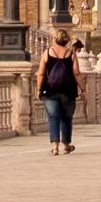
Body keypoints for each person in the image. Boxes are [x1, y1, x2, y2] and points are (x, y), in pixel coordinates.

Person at [32, 27, 81, 156]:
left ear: (54, 39)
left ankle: (55, 147)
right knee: (66, 117)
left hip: (50, 90)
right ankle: (67, 145)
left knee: (53, 117)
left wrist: (39, 89)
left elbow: (41, 74)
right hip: (68, 91)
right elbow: (76, 73)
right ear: (67, 40)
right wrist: (84, 89)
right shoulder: (71, 54)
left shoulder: (47, 53)